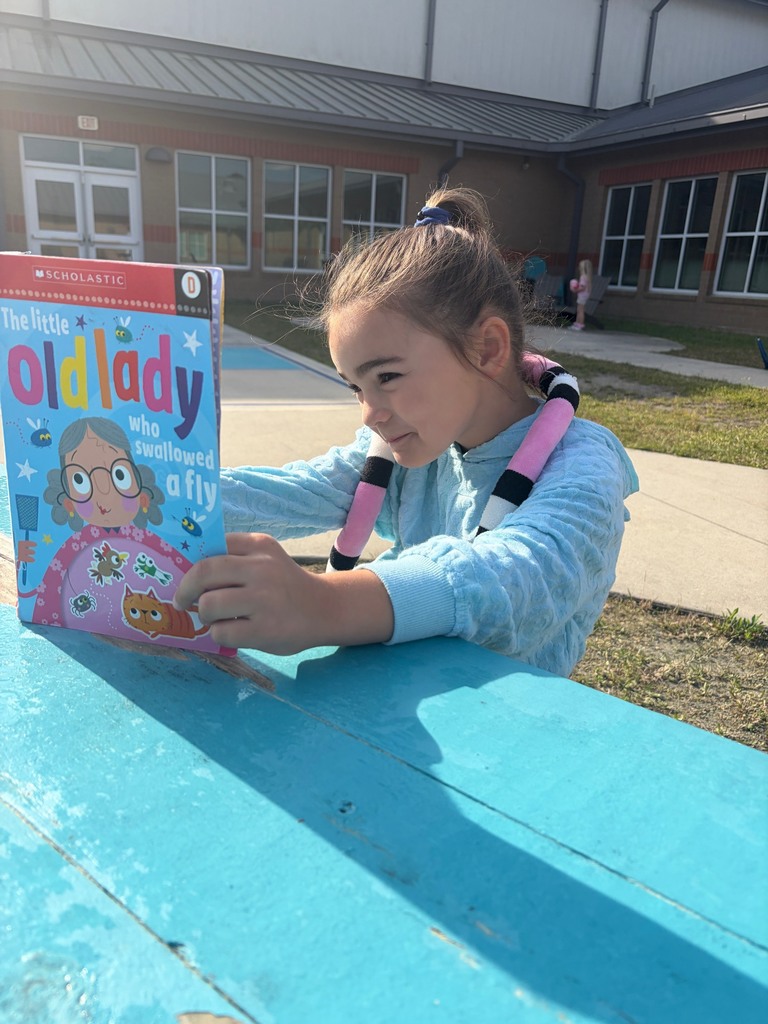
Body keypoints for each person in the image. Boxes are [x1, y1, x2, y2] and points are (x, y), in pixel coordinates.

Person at [174, 188, 638, 677]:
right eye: (357, 387)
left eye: (387, 378)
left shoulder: (582, 465)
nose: (369, 414)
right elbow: (291, 490)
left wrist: (324, 605)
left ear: (486, 350)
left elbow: (517, 578)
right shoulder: (403, 446)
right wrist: (157, 492)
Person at [569, 259, 593, 331]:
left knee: (580, 310)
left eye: (580, 267)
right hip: (584, 295)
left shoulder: (583, 277)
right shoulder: (587, 277)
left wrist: (575, 290)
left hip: (582, 296)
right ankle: (577, 323)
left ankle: (580, 324)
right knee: (579, 310)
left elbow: (582, 287)